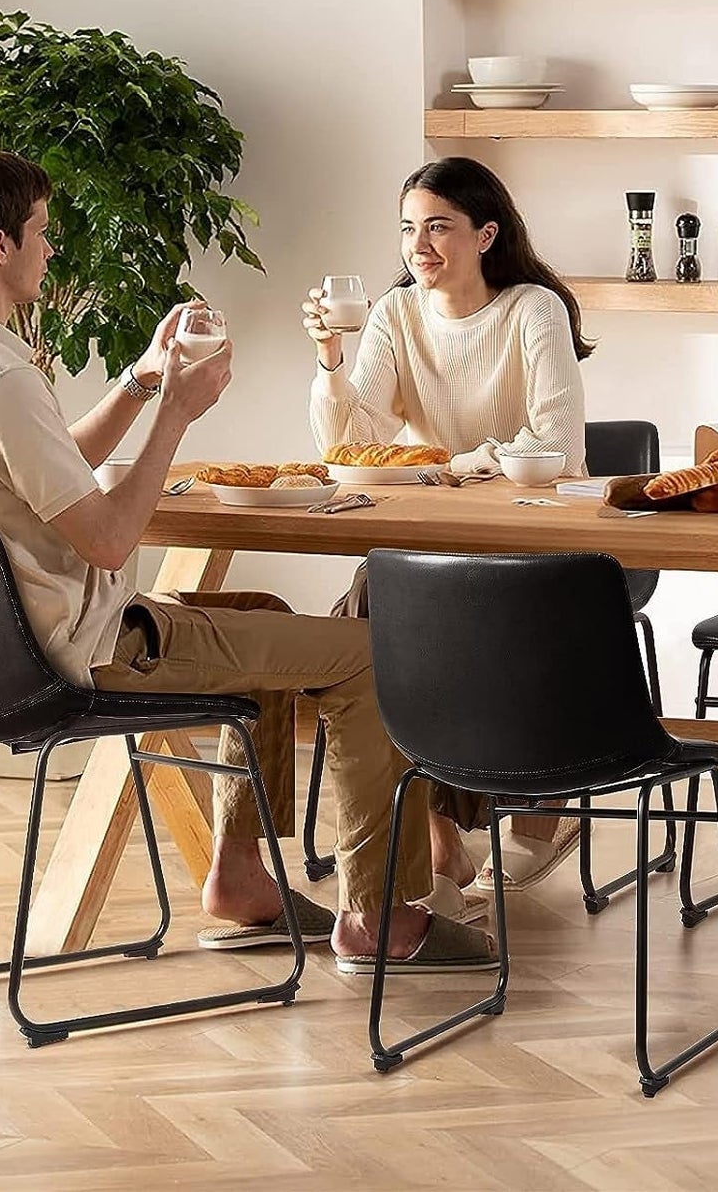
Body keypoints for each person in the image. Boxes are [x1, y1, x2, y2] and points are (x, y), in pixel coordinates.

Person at [0, 148, 494, 975]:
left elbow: (53, 464)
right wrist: (175, 412)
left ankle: (241, 880)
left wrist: (138, 382)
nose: (50, 249)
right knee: (364, 656)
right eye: (39, 233)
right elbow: (105, 537)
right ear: (0, 246)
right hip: (84, 649)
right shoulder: (0, 376)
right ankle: (379, 919)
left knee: (269, 621)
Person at [303, 156, 591, 899]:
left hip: (528, 538)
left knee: (478, 614)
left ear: (485, 233)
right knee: (371, 602)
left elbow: (557, 444)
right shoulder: (396, 314)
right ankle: (438, 839)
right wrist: (330, 357)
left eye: (438, 226)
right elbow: (347, 441)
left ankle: (538, 809)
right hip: (432, 536)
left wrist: (444, 463)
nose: (418, 245)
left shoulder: (532, 308)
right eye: (407, 228)